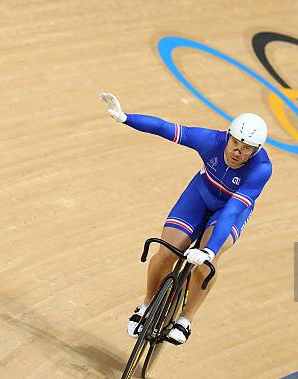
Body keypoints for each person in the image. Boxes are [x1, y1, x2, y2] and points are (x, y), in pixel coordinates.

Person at [100, 92, 273, 345]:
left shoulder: (261, 169)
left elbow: (232, 210)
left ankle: (185, 319)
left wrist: (210, 251)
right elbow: (165, 128)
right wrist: (126, 118)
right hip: (200, 195)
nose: (238, 151)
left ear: (255, 150)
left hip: (228, 212)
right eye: (235, 142)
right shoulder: (210, 140)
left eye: (246, 148)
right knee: (167, 252)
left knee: (204, 264)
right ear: (228, 136)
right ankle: (147, 304)